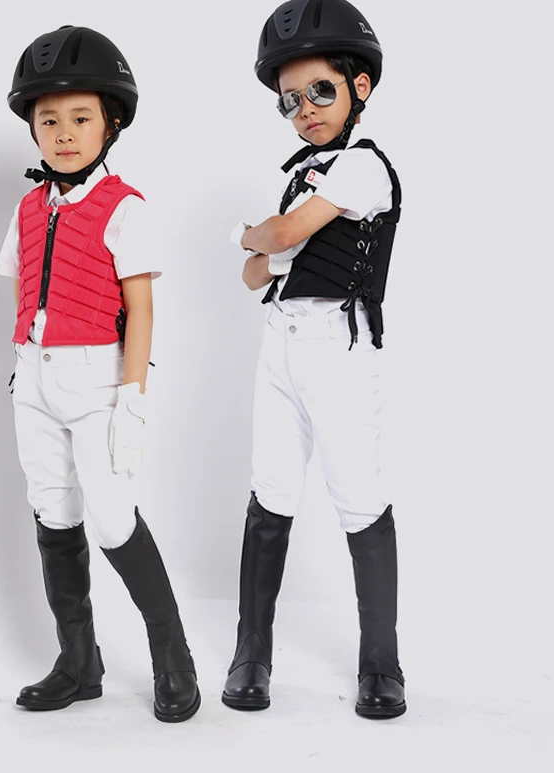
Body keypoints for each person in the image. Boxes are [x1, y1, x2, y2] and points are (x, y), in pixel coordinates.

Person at [0, 25, 200, 723]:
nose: (63, 133)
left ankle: (174, 659)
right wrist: (23, 362)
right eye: (49, 119)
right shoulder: (28, 207)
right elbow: (23, 285)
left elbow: (141, 308)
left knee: (112, 519)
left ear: (110, 123)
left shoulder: (123, 207)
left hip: (97, 380)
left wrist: (132, 398)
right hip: (35, 377)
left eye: (80, 118)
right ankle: (78, 662)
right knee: (53, 509)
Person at [222, 0, 406, 719]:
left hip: (339, 347)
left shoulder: (361, 169)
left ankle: (381, 663)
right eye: (290, 100)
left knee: (358, 493)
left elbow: (274, 240)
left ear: (360, 87)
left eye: (320, 91)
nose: (305, 110)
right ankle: (251, 652)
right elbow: (255, 276)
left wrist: (253, 233)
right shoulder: (307, 176)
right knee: (270, 489)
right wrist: (265, 241)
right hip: (282, 345)